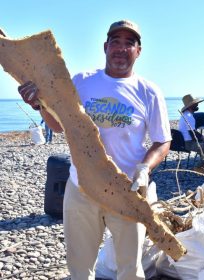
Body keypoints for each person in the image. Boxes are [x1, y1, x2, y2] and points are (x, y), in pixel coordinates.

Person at [17, 20, 171, 280]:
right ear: (105, 47)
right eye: (115, 42)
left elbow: (162, 141)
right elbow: (59, 125)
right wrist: (39, 105)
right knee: (79, 268)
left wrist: (145, 168)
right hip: (81, 188)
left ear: (138, 51)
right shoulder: (82, 82)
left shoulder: (149, 92)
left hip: (127, 190)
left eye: (129, 43)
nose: (121, 49)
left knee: (130, 270)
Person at [178, 94, 204, 166]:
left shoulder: (185, 114)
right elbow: (192, 133)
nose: (197, 105)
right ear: (190, 106)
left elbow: (192, 132)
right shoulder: (189, 116)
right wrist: (202, 138)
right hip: (188, 143)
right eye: (195, 104)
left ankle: (203, 165)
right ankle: (198, 167)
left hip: (183, 141)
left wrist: (202, 138)